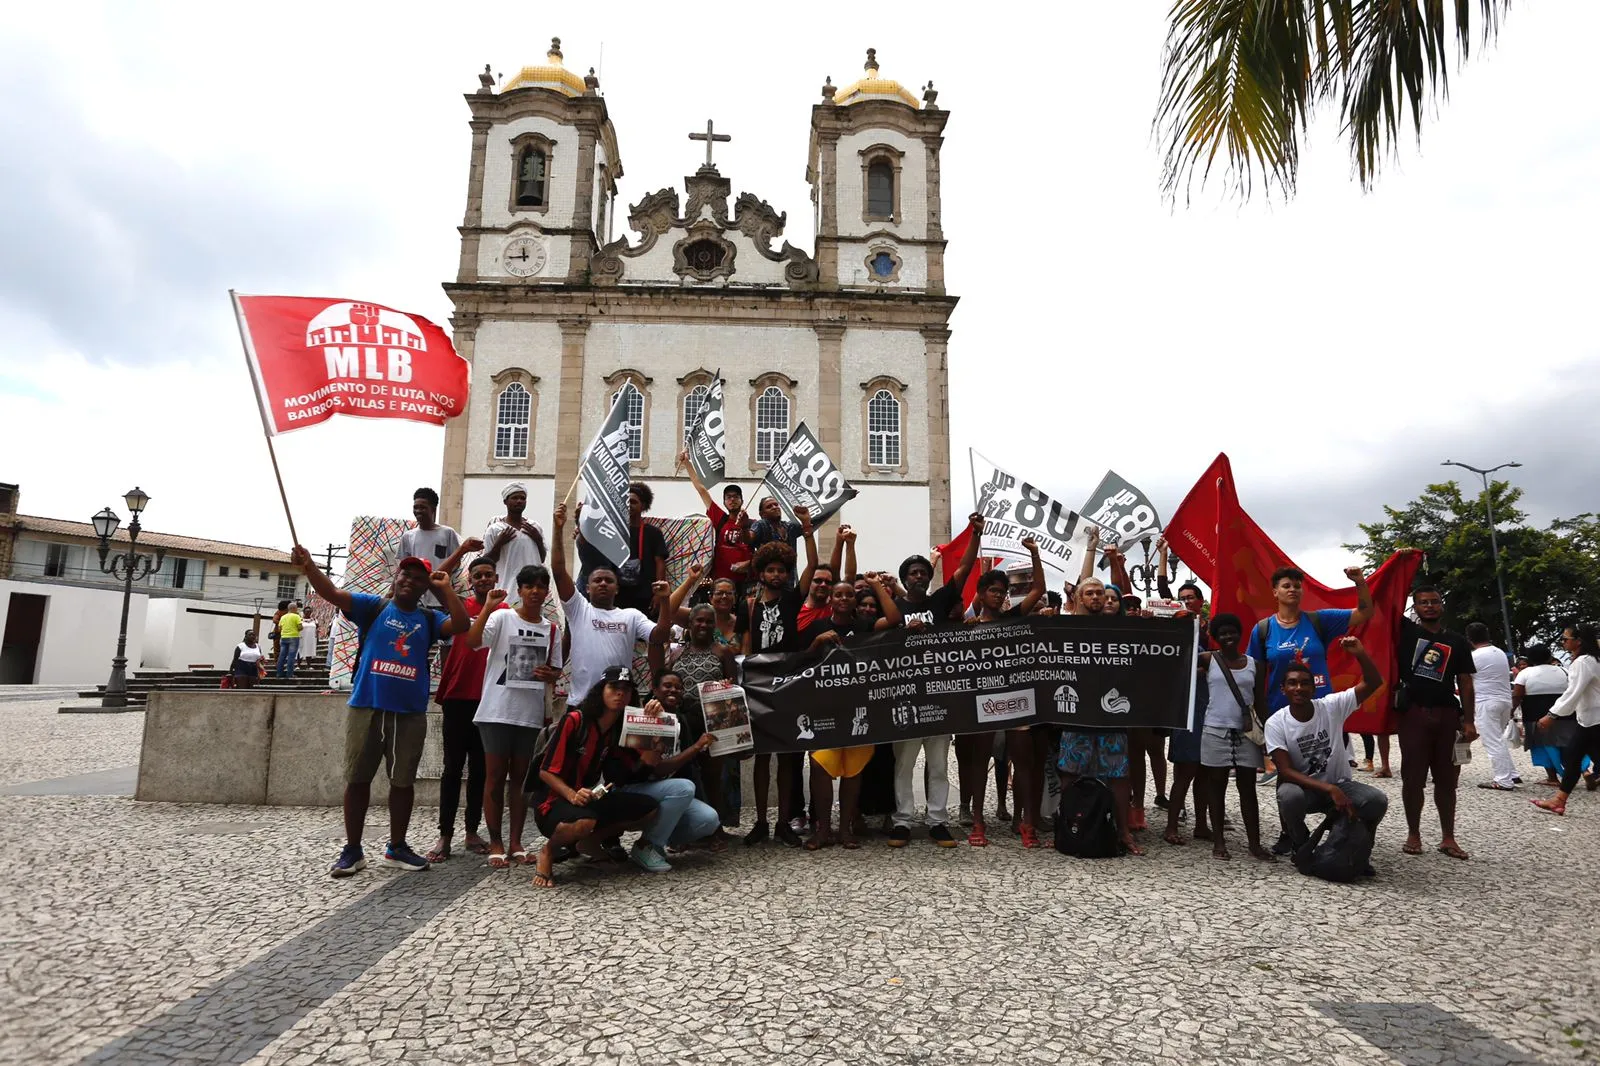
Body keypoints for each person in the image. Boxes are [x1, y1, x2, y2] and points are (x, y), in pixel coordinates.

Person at [293, 547, 470, 878]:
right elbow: (330, 592)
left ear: (423, 588)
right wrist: (308, 568)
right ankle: (352, 849)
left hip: (409, 712)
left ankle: (397, 846)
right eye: (405, 574)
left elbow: (461, 624)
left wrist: (444, 588)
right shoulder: (372, 607)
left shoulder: (429, 619)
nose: (409, 581)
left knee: (402, 781)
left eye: (418, 579)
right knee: (357, 778)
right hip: (367, 706)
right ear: (396, 577)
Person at [888, 513, 985, 848]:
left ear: (929, 578)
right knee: (903, 764)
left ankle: (938, 820)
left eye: (923, 572)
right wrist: (903, 632)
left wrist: (975, 532)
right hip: (905, 699)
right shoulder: (895, 608)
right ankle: (902, 821)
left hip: (939, 698)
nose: (918, 576)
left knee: (939, 764)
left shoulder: (940, 601)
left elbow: (965, 568)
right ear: (904, 578)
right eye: (913, 573)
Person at [467, 564, 562, 869]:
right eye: (529, 586)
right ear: (520, 590)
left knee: (521, 782)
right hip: (496, 709)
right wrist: (489, 607)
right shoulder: (502, 617)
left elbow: (555, 671)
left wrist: (550, 674)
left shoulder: (551, 628)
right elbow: (472, 641)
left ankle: (516, 842)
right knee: (494, 777)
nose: (535, 591)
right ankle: (496, 842)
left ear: (547, 591)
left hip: (529, 714)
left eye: (541, 586)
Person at [530, 666, 660, 888]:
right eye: (614, 687)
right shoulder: (574, 720)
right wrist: (571, 795)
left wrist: (654, 727)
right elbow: (545, 771)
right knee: (584, 821)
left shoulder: (619, 729)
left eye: (626, 689)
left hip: (589, 797)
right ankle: (548, 851)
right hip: (553, 801)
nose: (620, 693)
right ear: (601, 690)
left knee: (650, 808)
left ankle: (589, 843)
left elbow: (647, 763)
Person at [1264, 636, 1388, 869]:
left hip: (1340, 783)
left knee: (1376, 800)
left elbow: (1373, 682)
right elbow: (1286, 771)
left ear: (1314, 687)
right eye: (1292, 683)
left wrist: (1360, 653)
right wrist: (1328, 789)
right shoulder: (1276, 723)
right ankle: (1302, 846)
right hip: (1306, 789)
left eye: (1304, 683)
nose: (1298, 688)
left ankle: (1357, 850)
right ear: (1283, 689)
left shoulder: (1331, 706)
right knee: (1288, 796)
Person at [799, 572, 901, 849]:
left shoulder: (865, 626)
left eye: (849, 595)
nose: (844, 599)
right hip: (825, 710)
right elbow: (800, 662)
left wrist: (878, 586)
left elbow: (893, 620)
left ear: (855, 600)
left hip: (859, 710)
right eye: (838, 594)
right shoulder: (816, 626)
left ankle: (845, 829)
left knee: (853, 772)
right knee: (821, 768)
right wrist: (817, 643)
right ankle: (822, 829)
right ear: (830, 599)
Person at [1248, 565, 1375, 787]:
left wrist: (1360, 582)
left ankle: (1337, 815)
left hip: (1322, 712)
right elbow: (1254, 675)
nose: (1293, 590)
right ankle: (1291, 821)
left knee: (1332, 775)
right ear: (1274, 592)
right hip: (1282, 713)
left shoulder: (1319, 621)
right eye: (1286, 586)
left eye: (1297, 586)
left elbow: (1364, 613)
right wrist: (1262, 715)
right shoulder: (1263, 629)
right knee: (1289, 785)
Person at [958, 538, 1044, 848]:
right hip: (984, 700)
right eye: (994, 591)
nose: (999, 595)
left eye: (1003, 591)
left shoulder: (1013, 619)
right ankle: (978, 820)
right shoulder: (969, 627)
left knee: (1023, 762)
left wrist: (1034, 554)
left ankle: (1026, 823)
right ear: (981, 594)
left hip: (1016, 699)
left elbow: (1036, 591)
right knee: (980, 761)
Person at [742, 509, 820, 848]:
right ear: (761, 573)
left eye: (781, 570)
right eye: (770, 569)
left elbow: (813, 567)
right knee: (762, 756)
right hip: (758, 685)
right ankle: (760, 820)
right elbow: (746, 643)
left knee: (788, 755)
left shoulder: (793, 598)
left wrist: (806, 530)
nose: (776, 575)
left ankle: (784, 821)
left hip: (788, 683)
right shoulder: (749, 603)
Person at [603, 669, 722, 870]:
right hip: (632, 788)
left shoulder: (680, 721)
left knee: (708, 820)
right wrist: (695, 747)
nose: (673, 690)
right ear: (654, 690)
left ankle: (660, 840)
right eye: (667, 686)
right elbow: (657, 770)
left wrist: (722, 690)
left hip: (665, 791)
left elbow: (688, 765)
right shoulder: (644, 714)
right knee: (683, 788)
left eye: (678, 687)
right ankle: (647, 846)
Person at [1057, 576, 1141, 855]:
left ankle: (1123, 831)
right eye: (1089, 593)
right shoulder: (1066, 626)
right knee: (1070, 773)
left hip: (1111, 715)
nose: (1096, 597)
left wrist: (1152, 623)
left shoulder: (1121, 627)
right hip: (1078, 714)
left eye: (1100, 594)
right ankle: (1067, 827)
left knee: (1117, 775)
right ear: (1079, 598)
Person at [648, 573, 737, 828]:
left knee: (713, 777)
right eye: (698, 621)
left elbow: (734, 684)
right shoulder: (677, 654)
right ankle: (686, 829)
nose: (703, 626)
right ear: (690, 623)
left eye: (709, 622)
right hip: (683, 725)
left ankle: (716, 828)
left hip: (713, 724)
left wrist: (727, 687)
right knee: (687, 774)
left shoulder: (723, 652)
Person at [1394, 585, 1476, 860]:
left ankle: (1448, 837)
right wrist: (1403, 563)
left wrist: (1469, 720)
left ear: (1442, 606)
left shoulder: (1457, 641)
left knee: (1447, 780)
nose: (1429, 606)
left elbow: (1465, 681)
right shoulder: (1405, 633)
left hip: (1447, 715)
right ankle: (1413, 833)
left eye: (1435, 602)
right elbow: (1384, 602)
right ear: (1414, 608)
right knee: (1413, 778)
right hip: (1414, 713)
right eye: (1423, 603)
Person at [426, 558, 500, 863]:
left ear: (496, 579)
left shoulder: (506, 612)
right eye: (478, 575)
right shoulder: (459, 606)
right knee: (452, 768)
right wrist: (463, 551)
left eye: (488, 575)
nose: (483, 579)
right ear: (470, 581)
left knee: (481, 770)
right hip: (458, 695)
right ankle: (445, 834)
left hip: (489, 699)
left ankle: (472, 830)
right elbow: (435, 578)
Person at [550, 503, 656, 710]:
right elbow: (559, 570)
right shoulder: (579, 609)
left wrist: (665, 600)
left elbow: (659, 636)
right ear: (587, 588)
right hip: (581, 704)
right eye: (597, 581)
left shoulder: (631, 616)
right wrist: (558, 529)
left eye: (608, 580)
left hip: (618, 706)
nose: (603, 584)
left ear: (617, 588)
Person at [1196, 613, 1272, 860]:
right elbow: (1180, 662)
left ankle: (1255, 844)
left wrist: (1269, 735)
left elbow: (1260, 701)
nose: (1228, 637)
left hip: (1246, 732)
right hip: (1215, 729)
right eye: (1222, 634)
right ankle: (1219, 842)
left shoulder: (1254, 665)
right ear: (1215, 638)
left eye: (1232, 632)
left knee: (1247, 788)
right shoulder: (1208, 659)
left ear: (1240, 634)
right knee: (1216, 787)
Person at [1532, 622, 1600, 817]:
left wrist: (1552, 715)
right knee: (1573, 756)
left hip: (1594, 719)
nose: (1562, 642)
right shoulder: (1593, 659)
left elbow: (1573, 693)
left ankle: (1559, 800)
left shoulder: (1583, 662)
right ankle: (1559, 800)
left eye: (1565, 639)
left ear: (1578, 641)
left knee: (1576, 757)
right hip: (1589, 719)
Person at [576, 482, 668, 615]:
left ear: (643, 506)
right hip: (617, 595)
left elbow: (660, 562)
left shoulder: (653, 532)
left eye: (633, 502)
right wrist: (583, 521)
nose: (629, 505)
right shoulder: (612, 530)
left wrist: (659, 594)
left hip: (644, 596)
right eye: (625, 502)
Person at [679, 450, 752, 588]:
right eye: (728, 497)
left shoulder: (752, 524)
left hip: (745, 584)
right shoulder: (720, 518)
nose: (732, 500)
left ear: (742, 500)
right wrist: (687, 463)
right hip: (720, 582)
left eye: (736, 496)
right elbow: (701, 489)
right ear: (724, 502)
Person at [401, 486, 481, 605]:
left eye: (422, 507)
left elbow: (456, 563)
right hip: (416, 598)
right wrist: (393, 590)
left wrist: (438, 577)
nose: (418, 511)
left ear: (433, 509)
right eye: (415, 507)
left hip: (440, 599)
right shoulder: (408, 536)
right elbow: (402, 569)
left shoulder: (447, 533)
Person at [1467, 622, 1519, 791]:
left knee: (1492, 741)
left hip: (1486, 701)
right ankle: (1511, 773)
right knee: (1499, 738)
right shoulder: (1500, 653)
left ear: (1469, 638)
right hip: (1504, 700)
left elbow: (1467, 678)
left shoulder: (1474, 657)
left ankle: (1503, 780)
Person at [1515, 644, 1571, 786]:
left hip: (1535, 716)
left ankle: (1552, 777)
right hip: (1564, 714)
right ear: (1549, 656)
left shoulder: (1525, 673)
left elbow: (1517, 695)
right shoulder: (1564, 671)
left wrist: (1510, 712)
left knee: (1542, 746)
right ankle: (1584, 771)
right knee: (1569, 744)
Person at [482, 483, 547, 594]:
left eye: (522, 498)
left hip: (532, 590)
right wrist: (499, 543)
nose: (519, 501)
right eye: (514, 498)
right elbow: (487, 563)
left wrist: (538, 540)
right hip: (505, 589)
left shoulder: (534, 527)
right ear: (505, 502)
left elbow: (541, 558)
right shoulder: (495, 529)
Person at [275, 602, 303, 678]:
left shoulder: (283, 617)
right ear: (294, 608)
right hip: (293, 637)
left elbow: (279, 628)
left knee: (282, 656)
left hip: (283, 637)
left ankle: (279, 673)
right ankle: (289, 674)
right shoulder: (296, 616)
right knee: (291, 656)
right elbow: (300, 627)